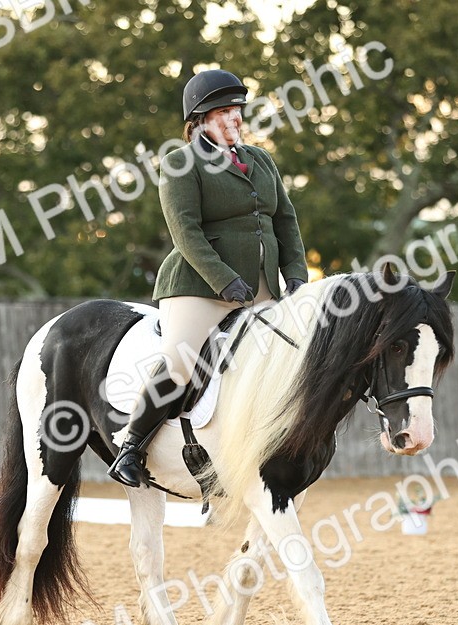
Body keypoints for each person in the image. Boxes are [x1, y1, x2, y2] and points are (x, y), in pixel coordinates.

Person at [108, 69, 310, 488]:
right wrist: (222, 279)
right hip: (199, 286)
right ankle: (131, 448)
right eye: (223, 112)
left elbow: (285, 221)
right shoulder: (180, 163)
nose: (234, 118)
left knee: (274, 369)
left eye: (237, 110)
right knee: (182, 364)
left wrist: (295, 275)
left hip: (261, 287)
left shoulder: (261, 160)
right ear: (199, 120)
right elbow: (185, 231)